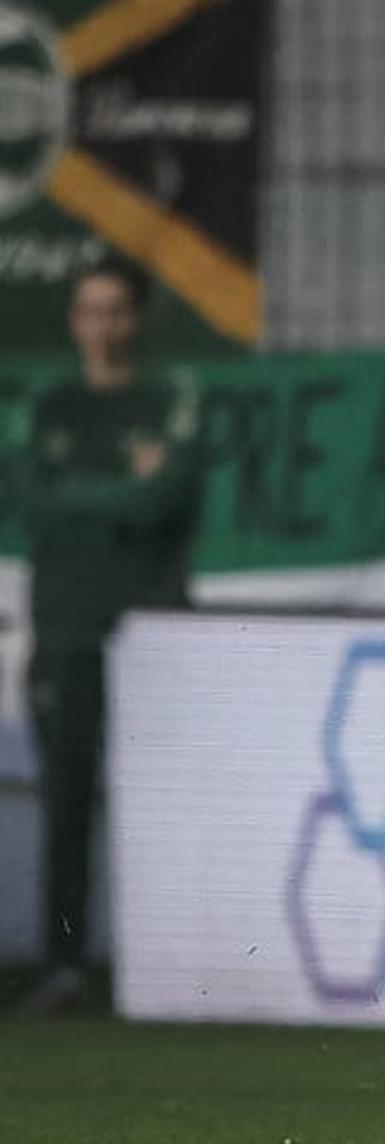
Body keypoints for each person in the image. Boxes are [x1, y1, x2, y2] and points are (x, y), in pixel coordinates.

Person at [17, 258, 202, 1014]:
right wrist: (120, 499)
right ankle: (66, 964)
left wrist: (86, 502)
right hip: (64, 635)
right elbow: (33, 500)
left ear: (137, 319)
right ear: (75, 320)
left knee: (162, 804)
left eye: (118, 310)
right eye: (91, 310)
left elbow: (165, 499)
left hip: (147, 642)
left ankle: (165, 966)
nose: (105, 326)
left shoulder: (169, 399)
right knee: (64, 804)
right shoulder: (50, 405)